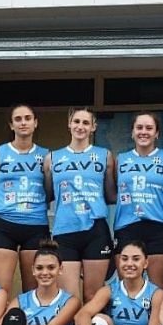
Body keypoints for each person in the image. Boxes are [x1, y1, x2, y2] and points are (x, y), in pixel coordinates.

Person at [44, 107, 116, 302]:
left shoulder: (105, 156)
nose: (80, 126)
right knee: (69, 298)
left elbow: (111, 195)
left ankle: (93, 324)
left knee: (93, 296)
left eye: (86, 123)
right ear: (69, 124)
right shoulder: (52, 158)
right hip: (65, 230)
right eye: (76, 121)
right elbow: (48, 194)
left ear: (93, 127)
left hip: (95, 229)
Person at [0, 104, 49, 293]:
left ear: (35, 123)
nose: (23, 123)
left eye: (27, 118)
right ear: (11, 125)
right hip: (3, 224)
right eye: (18, 119)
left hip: (36, 225)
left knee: (34, 292)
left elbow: (51, 192)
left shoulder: (47, 156)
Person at [113, 112, 163, 289]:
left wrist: (159, 201)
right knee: (127, 285)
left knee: (160, 287)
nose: (144, 132)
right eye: (139, 127)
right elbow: (113, 192)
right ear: (132, 132)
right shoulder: (120, 160)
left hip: (160, 225)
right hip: (126, 225)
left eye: (149, 128)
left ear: (157, 133)